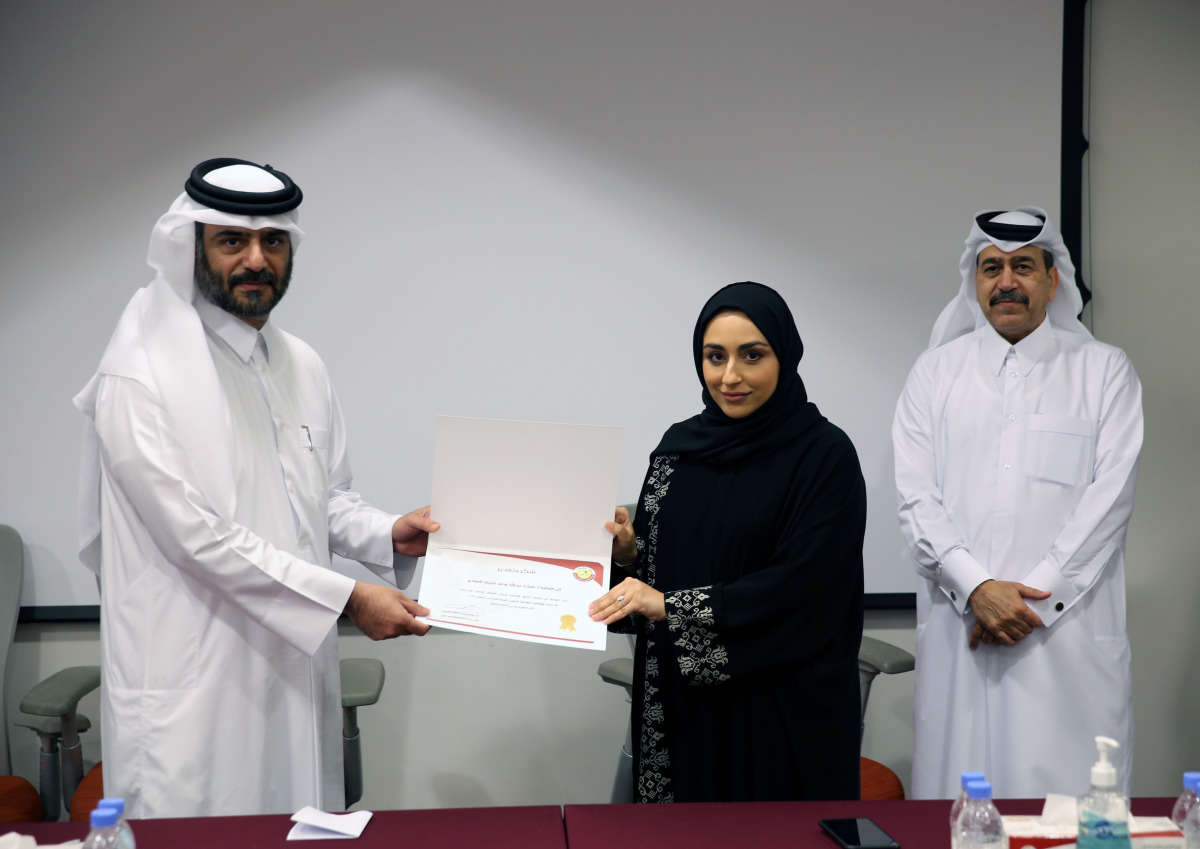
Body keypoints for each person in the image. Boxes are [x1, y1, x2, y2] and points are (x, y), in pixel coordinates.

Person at [73, 158, 438, 818]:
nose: (256, 260)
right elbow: (196, 537)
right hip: (195, 688)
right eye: (232, 241)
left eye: (273, 241)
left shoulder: (302, 363)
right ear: (192, 247)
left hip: (292, 673)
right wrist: (350, 597)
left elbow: (323, 498)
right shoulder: (140, 370)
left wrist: (388, 534)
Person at [893, 208, 1142, 799]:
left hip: (1065, 638)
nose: (1006, 282)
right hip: (962, 629)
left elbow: (1109, 503)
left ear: (1052, 281)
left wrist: (1032, 601)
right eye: (992, 268)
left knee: (1071, 810)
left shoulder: (1104, 372)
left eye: (1023, 267)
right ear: (974, 281)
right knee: (958, 812)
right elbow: (916, 498)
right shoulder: (933, 375)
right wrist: (977, 588)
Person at [589, 281, 865, 802]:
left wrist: (671, 606)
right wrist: (628, 556)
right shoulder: (678, 451)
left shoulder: (823, 456)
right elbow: (654, 575)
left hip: (781, 707)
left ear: (785, 357)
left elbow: (805, 586)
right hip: (683, 707)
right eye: (715, 357)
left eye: (752, 356)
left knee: (772, 835)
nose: (729, 376)